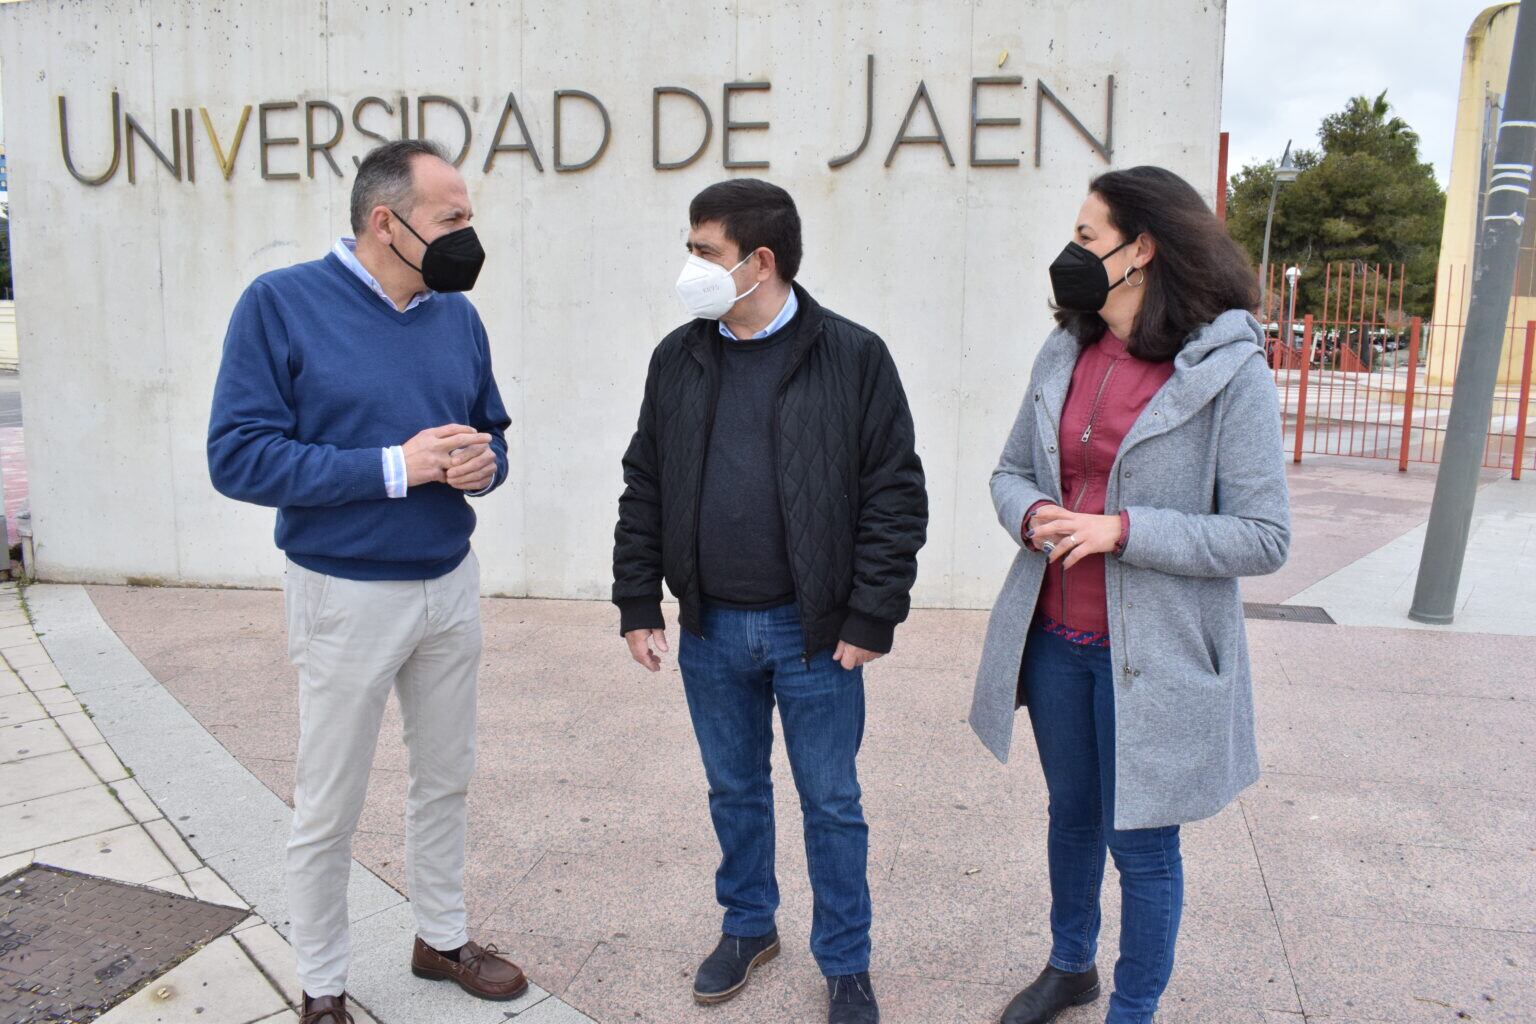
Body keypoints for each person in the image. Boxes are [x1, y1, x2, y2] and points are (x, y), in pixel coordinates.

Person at [207, 139, 526, 1023]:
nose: (469, 235)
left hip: (448, 583)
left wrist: (480, 465)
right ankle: (321, 985)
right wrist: (398, 467)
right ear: (386, 222)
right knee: (331, 802)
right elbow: (237, 457)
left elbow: (491, 430)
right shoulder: (280, 305)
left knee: (446, 777)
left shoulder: (455, 314)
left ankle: (441, 936)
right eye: (451, 218)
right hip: (344, 593)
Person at [968, 166, 1290, 1024]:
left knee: (1141, 844)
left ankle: (1133, 1007)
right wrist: (1033, 510)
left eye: (1086, 237)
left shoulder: (1228, 370)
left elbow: (1264, 536)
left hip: (1156, 655)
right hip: (1056, 641)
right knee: (1071, 818)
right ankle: (1070, 964)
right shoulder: (1064, 348)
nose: (1069, 255)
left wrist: (1124, 530)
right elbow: (1007, 472)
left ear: (1140, 249)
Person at [612, 178, 928, 1024]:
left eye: (703, 251)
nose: (690, 267)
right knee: (733, 790)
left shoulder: (853, 355)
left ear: (760, 261)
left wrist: (870, 616)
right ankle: (749, 924)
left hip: (814, 633)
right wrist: (638, 598)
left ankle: (846, 961)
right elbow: (645, 482)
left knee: (831, 801)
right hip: (710, 627)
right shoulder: (678, 355)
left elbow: (895, 493)